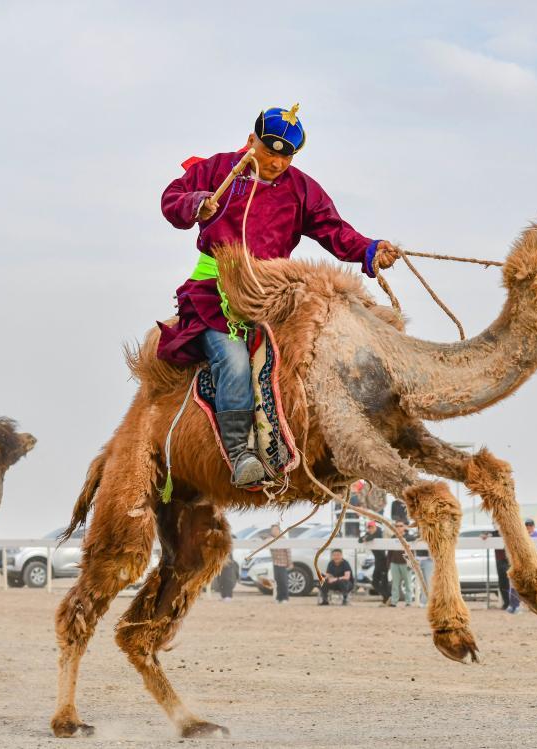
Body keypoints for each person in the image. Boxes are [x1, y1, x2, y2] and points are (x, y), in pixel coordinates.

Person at [156, 105, 401, 488]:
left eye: (285, 156)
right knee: (234, 363)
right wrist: (196, 202)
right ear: (252, 141)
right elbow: (173, 198)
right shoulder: (218, 170)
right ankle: (240, 454)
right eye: (270, 152)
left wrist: (370, 249)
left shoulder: (302, 189)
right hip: (214, 294)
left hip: (273, 296)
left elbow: (334, 230)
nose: (276, 163)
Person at [360, 520, 391, 605]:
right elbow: (360, 540)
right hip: (378, 561)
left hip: (384, 560)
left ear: (375, 527)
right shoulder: (369, 534)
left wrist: (366, 538)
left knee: (384, 581)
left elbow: (372, 537)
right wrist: (365, 538)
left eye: (372, 527)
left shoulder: (379, 533)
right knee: (375, 582)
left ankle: (387, 598)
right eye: (369, 527)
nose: (370, 529)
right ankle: (387, 597)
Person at [388, 521, 415, 607]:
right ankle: (394, 601)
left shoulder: (409, 537)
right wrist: (388, 563)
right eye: (397, 526)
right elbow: (389, 552)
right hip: (394, 563)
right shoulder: (392, 537)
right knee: (395, 584)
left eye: (400, 526)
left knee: (408, 583)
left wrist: (411, 563)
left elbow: (413, 543)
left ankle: (408, 601)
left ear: (404, 527)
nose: (398, 527)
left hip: (406, 563)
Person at [268, 524, 292, 603]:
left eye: (275, 529)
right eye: (272, 530)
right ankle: (279, 598)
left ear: (279, 530)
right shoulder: (271, 539)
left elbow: (288, 552)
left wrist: (290, 563)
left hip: (283, 563)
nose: (274, 531)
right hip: (276, 563)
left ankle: (285, 598)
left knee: (283, 581)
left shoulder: (283, 539)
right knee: (277, 581)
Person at [412, 522, 434, 607]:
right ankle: (423, 601)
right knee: (421, 583)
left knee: (428, 582)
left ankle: (429, 601)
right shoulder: (416, 537)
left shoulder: (429, 536)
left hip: (428, 561)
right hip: (418, 561)